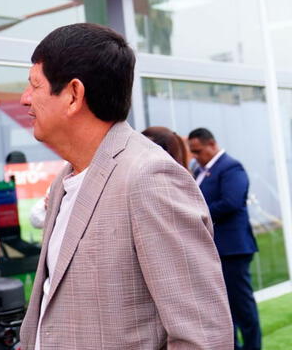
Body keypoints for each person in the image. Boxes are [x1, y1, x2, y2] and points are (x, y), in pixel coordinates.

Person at [18, 23, 233, 349]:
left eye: (35, 85)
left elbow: (202, 337)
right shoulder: (67, 177)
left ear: (74, 95)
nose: (24, 99)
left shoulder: (150, 178)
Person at [188, 127, 261, 350]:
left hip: (234, 249)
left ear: (212, 144)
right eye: (193, 152)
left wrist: (193, 212)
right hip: (215, 248)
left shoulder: (231, 167)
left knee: (242, 306)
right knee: (224, 306)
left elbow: (231, 202)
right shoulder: (199, 169)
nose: (196, 156)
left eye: (199, 151)